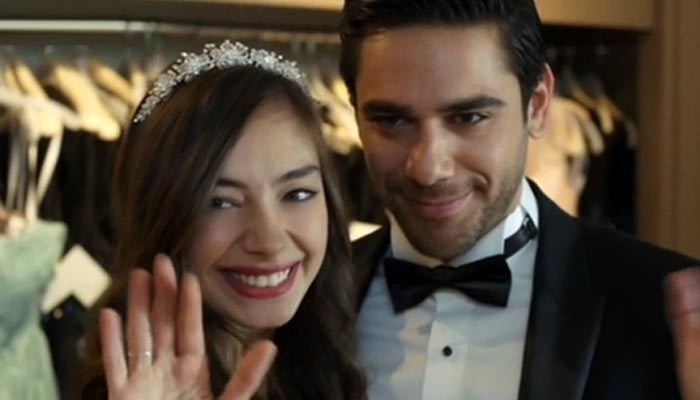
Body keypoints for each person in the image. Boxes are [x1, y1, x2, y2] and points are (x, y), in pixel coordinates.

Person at [338, 0, 700, 399]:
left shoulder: (663, 307)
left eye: (469, 117)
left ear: (539, 104)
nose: (428, 168)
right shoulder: (304, 302)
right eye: (390, 121)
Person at [80, 40, 366, 400]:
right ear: (163, 216)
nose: (269, 239)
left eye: (297, 194)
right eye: (221, 202)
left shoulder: (347, 353)